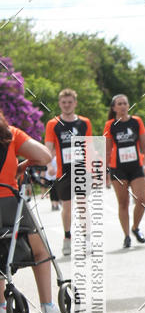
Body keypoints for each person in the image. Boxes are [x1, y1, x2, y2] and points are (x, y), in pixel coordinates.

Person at [0, 110, 60, 313]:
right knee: (40, 250)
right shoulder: (10, 134)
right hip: (8, 202)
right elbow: (44, 156)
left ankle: (1, 306)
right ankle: (48, 305)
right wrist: (22, 165)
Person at [45, 89, 92, 255]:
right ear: (60, 104)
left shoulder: (84, 122)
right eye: (64, 102)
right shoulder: (53, 124)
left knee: (82, 204)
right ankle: (67, 237)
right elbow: (48, 148)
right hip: (63, 171)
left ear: (75, 103)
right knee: (67, 206)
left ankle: (87, 239)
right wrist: (48, 164)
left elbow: (89, 146)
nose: (67, 105)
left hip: (81, 170)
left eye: (70, 102)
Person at [104, 95, 145, 248]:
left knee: (142, 200)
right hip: (118, 168)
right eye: (120, 104)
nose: (123, 106)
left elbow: (144, 145)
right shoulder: (110, 125)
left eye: (125, 103)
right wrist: (105, 171)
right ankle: (126, 236)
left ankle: (135, 227)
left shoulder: (136, 121)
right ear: (114, 108)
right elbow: (107, 149)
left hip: (136, 166)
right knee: (123, 203)